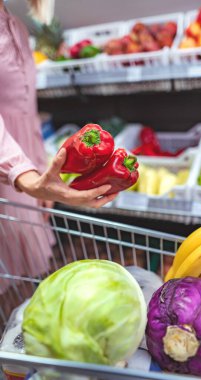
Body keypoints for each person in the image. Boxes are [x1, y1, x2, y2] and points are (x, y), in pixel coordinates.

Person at [0, 2, 117, 291]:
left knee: (24, 279)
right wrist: (26, 176)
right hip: (10, 172)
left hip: (25, 172)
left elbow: (27, 114)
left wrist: (41, 169)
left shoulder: (15, 24)